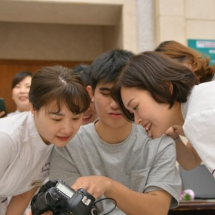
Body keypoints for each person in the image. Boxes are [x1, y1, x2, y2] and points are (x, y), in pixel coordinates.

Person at [49, 49, 181, 215]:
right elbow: (65, 208)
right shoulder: (69, 144)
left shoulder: (158, 140)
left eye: (121, 94)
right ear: (91, 93)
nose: (115, 104)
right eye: (105, 93)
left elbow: (158, 209)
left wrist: (108, 185)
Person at [0, 65, 91, 215]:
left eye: (76, 118)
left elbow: (24, 193)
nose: (67, 129)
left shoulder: (57, 141)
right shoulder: (6, 138)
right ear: (33, 108)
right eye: (57, 119)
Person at [112, 51, 215, 178]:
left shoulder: (198, 117)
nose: (137, 120)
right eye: (132, 113)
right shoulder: (202, 100)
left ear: (164, 88)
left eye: (136, 107)